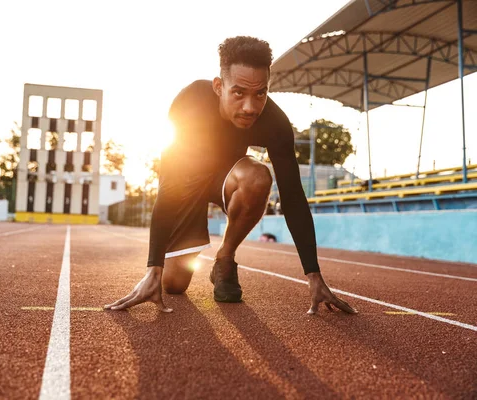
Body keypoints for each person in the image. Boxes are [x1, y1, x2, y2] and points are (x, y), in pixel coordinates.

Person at [104, 36, 357, 315]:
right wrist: (153, 269)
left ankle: (225, 258)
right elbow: (170, 184)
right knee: (173, 284)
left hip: (229, 177)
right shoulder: (190, 103)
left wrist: (314, 274)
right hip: (185, 185)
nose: (250, 107)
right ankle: (164, 272)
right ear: (218, 86)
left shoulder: (276, 124)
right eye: (239, 93)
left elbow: (293, 196)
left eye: (260, 93)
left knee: (259, 177)